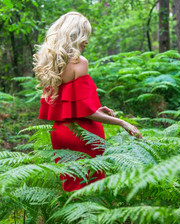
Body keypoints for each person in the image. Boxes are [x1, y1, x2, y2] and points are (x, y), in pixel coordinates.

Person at [33, 12, 142, 192]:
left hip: (60, 133)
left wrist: (96, 107)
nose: (87, 41)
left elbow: (69, 105)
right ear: (75, 34)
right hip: (84, 134)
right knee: (92, 188)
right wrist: (123, 123)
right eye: (85, 35)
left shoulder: (52, 63)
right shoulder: (79, 62)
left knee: (71, 186)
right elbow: (85, 113)